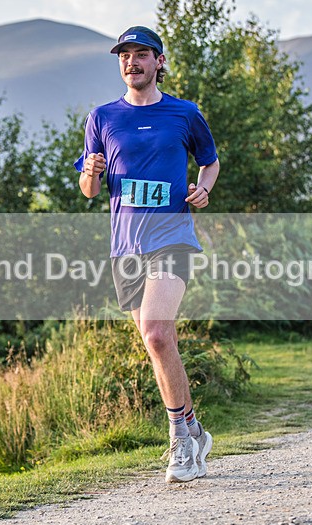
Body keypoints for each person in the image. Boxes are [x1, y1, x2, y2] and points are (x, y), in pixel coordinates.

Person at [75, 26, 219, 483]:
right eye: (124, 56)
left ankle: (178, 440)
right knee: (158, 346)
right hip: (126, 248)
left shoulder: (184, 113)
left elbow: (209, 160)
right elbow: (89, 189)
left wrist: (202, 189)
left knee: (157, 334)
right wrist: (91, 172)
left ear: (160, 62)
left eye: (141, 55)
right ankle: (194, 429)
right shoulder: (101, 117)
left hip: (172, 238)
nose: (131, 62)